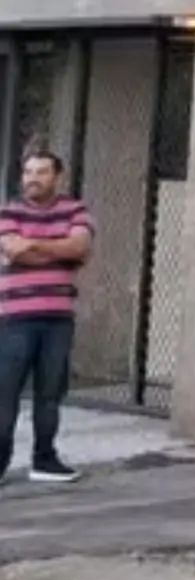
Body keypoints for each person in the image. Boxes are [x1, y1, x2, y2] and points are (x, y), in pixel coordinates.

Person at [0, 148, 93, 484]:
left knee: (50, 393)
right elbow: (11, 249)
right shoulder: (10, 211)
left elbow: (80, 248)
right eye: (28, 172)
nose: (32, 179)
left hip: (58, 319)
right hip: (15, 319)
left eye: (41, 172)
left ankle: (45, 459)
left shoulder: (75, 209)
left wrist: (33, 246)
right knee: (5, 392)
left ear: (57, 177)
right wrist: (57, 247)